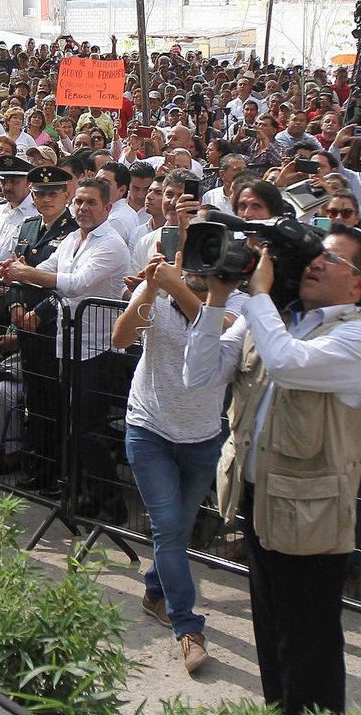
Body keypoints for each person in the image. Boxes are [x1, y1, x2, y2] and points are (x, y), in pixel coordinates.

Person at [182, 224, 361, 715]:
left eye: (332, 259)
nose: (316, 263)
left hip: (313, 516)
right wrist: (216, 299)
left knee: (308, 646)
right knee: (272, 637)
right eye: (315, 255)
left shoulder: (360, 337)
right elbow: (199, 373)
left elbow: (287, 363)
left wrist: (258, 296)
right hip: (260, 503)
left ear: (360, 284)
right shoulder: (272, 318)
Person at [114, 250, 246, 676]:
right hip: (148, 427)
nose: (195, 269)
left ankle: (155, 592)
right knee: (169, 526)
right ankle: (188, 626)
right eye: (189, 258)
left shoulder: (237, 301)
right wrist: (151, 289)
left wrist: (176, 288)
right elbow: (120, 338)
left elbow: (220, 335)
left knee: (177, 529)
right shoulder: (158, 290)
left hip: (201, 437)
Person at [0, 178, 131, 518]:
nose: (83, 208)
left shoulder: (111, 244)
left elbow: (76, 284)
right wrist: (18, 271)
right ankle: (88, 496)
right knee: (75, 428)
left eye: (91, 203)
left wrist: (25, 272)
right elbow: (47, 269)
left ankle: (112, 506)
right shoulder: (73, 239)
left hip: (98, 350)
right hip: (69, 346)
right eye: (80, 202)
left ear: (107, 208)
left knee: (89, 431)